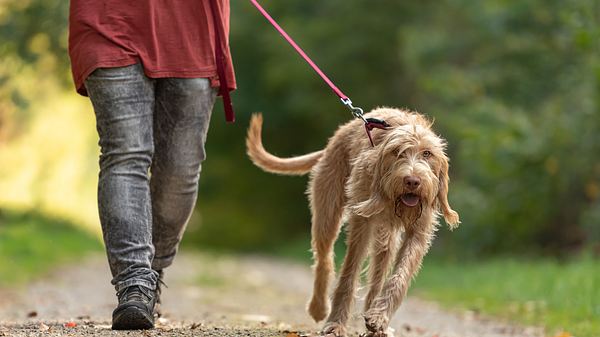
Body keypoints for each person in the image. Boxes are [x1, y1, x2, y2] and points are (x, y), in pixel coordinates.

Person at [68, 0, 236, 330]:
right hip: (108, 19)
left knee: (181, 166)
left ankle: (153, 268)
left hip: (192, 29)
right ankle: (134, 285)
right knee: (125, 153)